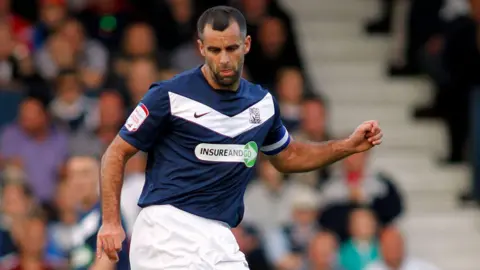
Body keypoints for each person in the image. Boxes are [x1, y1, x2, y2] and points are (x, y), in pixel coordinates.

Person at [96, 5, 384, 270]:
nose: (223, 59)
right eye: (214, 50)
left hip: (220, 234)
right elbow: (115, 153)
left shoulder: (262, 103)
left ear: (246, 45)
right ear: (201, 49)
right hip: (165, 229)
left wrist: (347, 146)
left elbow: (290, 156)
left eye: (231, 48)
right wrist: (110, 222)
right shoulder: (168, 96)